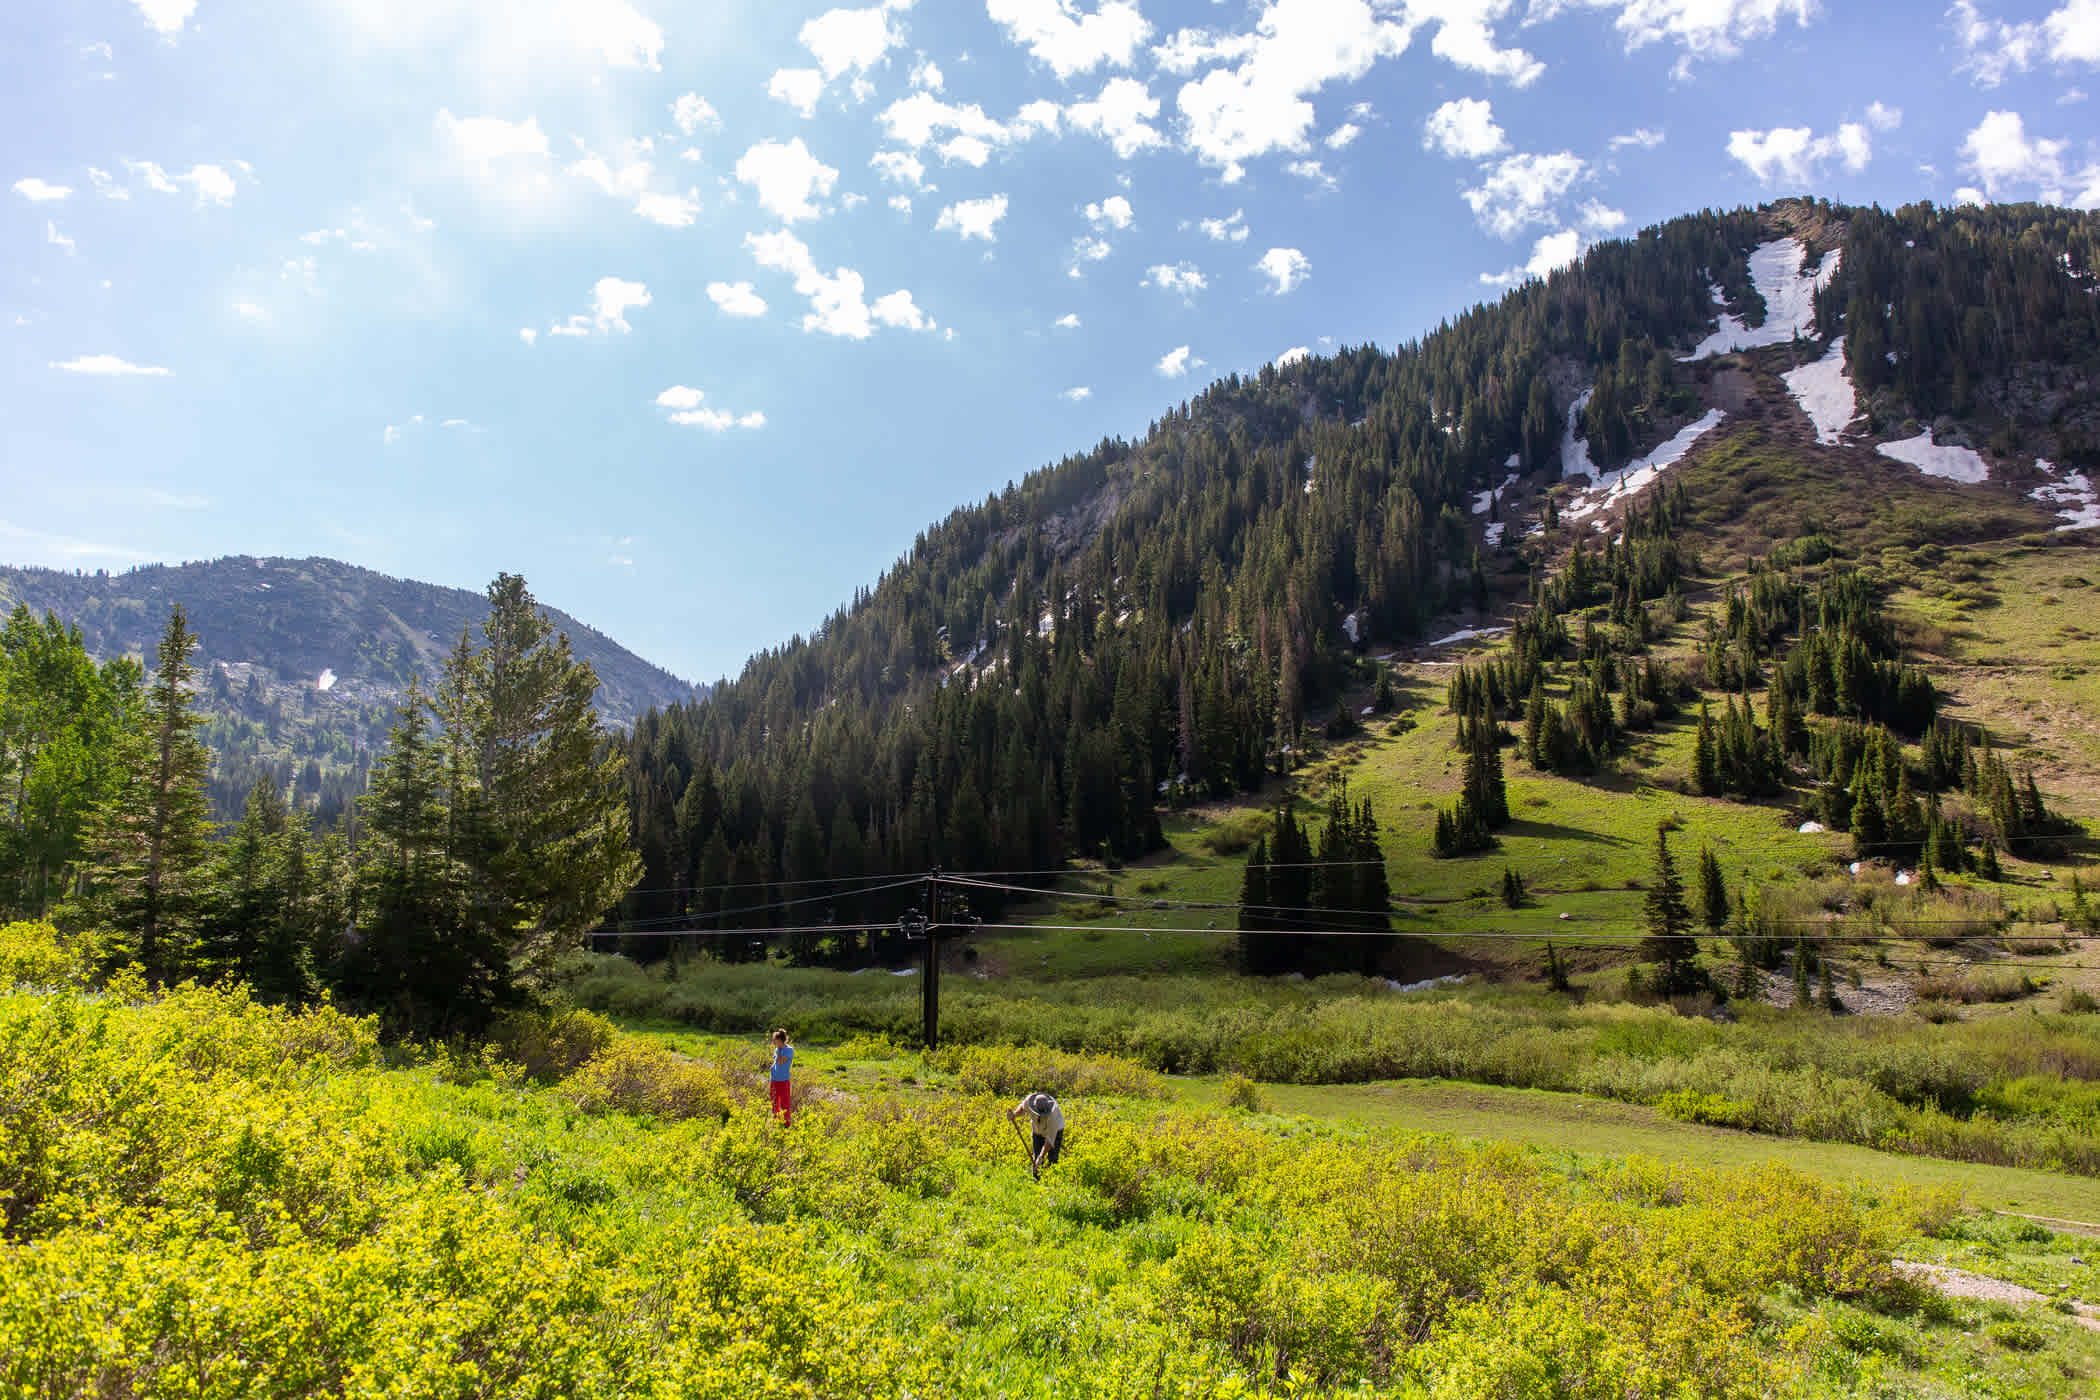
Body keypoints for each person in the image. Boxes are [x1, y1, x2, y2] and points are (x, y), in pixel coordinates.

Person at [1006, 1090, 1064, 1173]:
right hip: (1037, 1130)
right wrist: (1014, 1114)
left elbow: (1050, 1141)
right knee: (1036, 1157)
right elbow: (1022, 1108)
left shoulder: (1053, 1115)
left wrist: (1041, 1156)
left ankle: (1052, 1180)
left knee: (1052, 1158)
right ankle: (1037, 1179)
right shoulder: (1029, 1101)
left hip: (1056, 1131)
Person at [766, 1028, 794, 1127]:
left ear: (780, 1040)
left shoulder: (788, 1050)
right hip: (774, 1079)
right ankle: (775, 1121)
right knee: (774, 1102)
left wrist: (778, 1050)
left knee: (785, 1103)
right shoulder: (777, 1049)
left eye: (775, 1041)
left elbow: (780, 1061)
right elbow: (775, 1062)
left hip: (783, 1081)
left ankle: (786, 1123)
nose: (774, 1043)